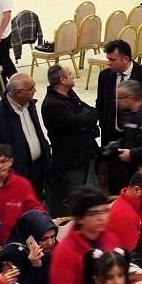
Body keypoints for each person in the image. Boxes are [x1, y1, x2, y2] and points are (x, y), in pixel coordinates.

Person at [41, 63, 99, 217]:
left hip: (83, 154)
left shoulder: (69, 94)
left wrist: (85, 118)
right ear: (62, 79)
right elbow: (78, 122)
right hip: (70, 161)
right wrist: (85, 118)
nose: (74, 76)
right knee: (74, 199)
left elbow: (92, 111)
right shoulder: (52, 105)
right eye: (70, 74)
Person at [95, 38, 142, 146]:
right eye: (108, 59)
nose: (108, 63)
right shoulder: (104, 76)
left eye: (112, 60)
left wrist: (140, 128)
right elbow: (100, 103)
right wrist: (103, 124)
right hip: (110, 136)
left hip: (138, 139)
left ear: (126, 59)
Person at [0, 73, 50, 190]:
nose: (35, 91)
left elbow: (38, 133)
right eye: (31, 88)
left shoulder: (30, 104)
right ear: (18, 92)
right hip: (18, 174)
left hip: (38, 168)